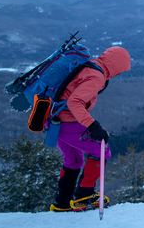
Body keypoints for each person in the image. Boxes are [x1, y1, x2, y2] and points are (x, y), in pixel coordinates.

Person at [50, 46, 131, 212]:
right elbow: (74, 102)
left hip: (53, 121)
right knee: (101, 150)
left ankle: (62, 202)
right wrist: (92, 126)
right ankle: (84, 196)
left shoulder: (90, 65)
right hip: (68, 122)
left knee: (74, 160)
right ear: (116, 66)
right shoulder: (96, 76)